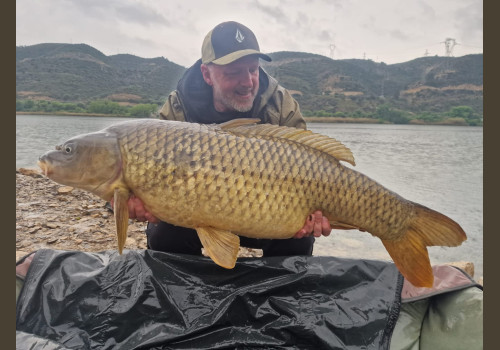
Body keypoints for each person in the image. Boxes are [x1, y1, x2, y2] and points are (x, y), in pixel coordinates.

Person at [123, 21, 332, 258]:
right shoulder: (178, 108)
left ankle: (276, 293)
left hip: (267, 213)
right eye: (234, 73)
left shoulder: (280, 104)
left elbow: (311, 163)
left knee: (299, 239)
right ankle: (184, 292)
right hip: (197, 214)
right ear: (207, 74)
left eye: (253, 70)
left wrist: (316, 215)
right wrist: (133, 200)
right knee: (164, 233)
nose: (248, 82)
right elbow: (145, 174)